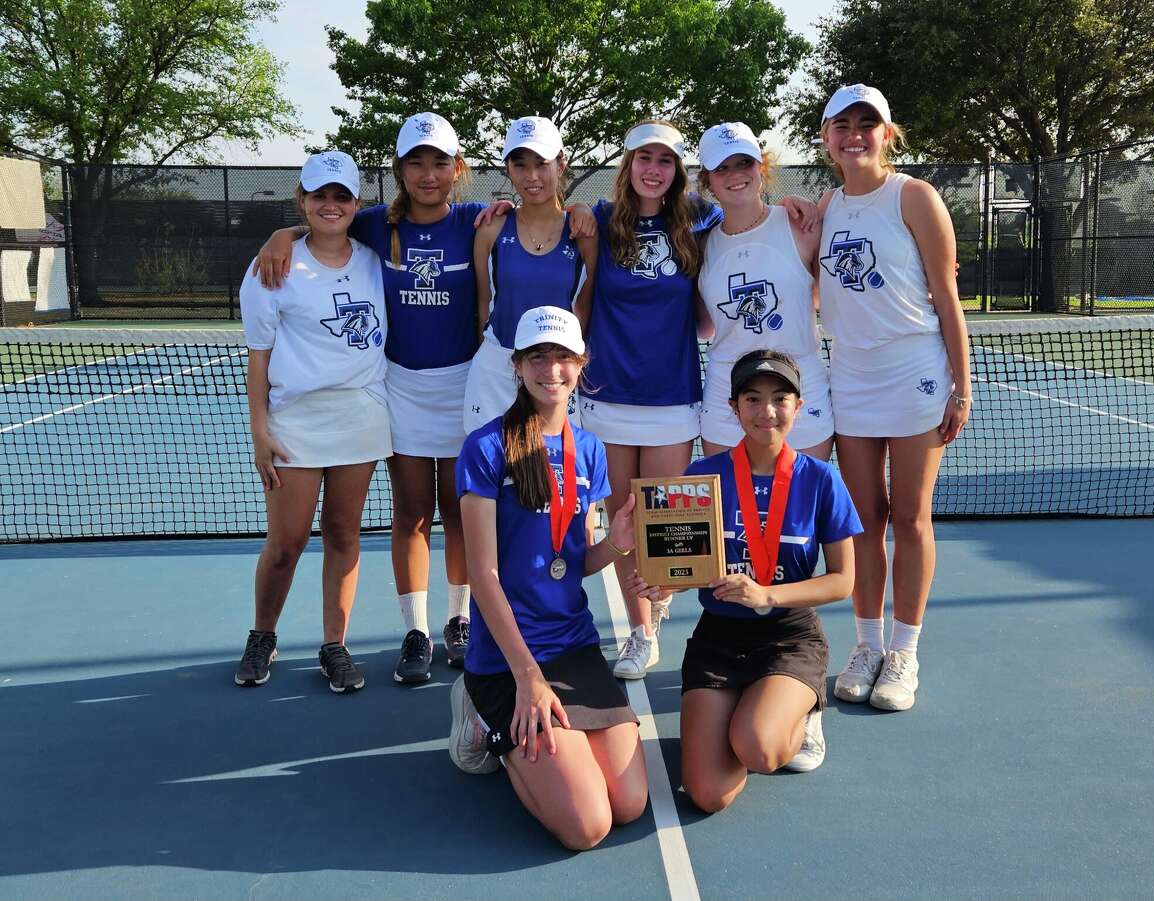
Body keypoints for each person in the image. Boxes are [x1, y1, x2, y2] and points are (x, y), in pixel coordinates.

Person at [251, 114, 588, 685]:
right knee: (411, 512)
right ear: (399, 169)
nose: (427, 174)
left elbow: (564, 224)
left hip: (464, 385)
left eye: (439, 162)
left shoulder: (480, 222)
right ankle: (417, 630)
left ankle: (460, 620)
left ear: (459, 170)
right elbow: (319, 226)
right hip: (399, 387)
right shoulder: (374, 224)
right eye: (415, 162)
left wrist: (581, 210)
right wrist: (279, 234)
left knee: (461, 510)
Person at [579, 120, 824, 681]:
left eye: (665, 160)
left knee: (664, 521)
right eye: (644, 157)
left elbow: (752, 215)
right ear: (628, 164)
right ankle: (641, 634)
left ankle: (674, 611)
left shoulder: (697, 221)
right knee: (624, 520)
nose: (653, 169)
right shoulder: (595, 220)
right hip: (607, 395)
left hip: (672, 396)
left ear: (680, 173)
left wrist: (792, 198)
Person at [448, 305, 648, 851]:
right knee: (588, 827)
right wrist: (527, 678)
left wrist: (619, 544)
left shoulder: (589, 451)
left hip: (574, 646)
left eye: (563, 357)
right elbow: (483, 575)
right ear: (517, 365)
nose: (551, 369)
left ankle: (552, 741)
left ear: (581, 364)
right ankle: (484, 722)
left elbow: (576, 560)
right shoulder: (485, 449)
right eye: (539, 356)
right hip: (507, 662)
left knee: (629, 804)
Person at [629, 350, 861, 811]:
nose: (766, 411)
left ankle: (802, 711)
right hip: (719, 636)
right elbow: (689, 567)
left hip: (789, 636)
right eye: (752, 399)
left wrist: (767, 593)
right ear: (734, 408)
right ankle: (753, 708)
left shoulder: (820, 480)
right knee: (708, 794)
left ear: (798, 404)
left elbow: (842, 581)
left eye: (779, 398)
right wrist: (664, 584)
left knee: (759, 748)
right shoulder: (701, 477)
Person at [815, 85, 971, 711]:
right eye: (842, 124)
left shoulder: (915, 197)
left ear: (888, 134)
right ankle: (868, 644)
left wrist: (962, 385)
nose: (855, 134)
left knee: (909, 515)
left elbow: (946, 294)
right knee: (863, 519)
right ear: (827, 138)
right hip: (849, 377)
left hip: (915, 372)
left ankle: (904, 652)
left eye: (867, 123)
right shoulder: (824, 205)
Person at [235, 151, 390, 693]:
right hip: (295, 422)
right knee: (287, 541)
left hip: (361, 418)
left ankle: (335, 645)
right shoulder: (272, 268)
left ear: (356, 204)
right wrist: (260, 429)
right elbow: (258, 356)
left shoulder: (375, 258)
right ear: (302, 200)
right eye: (319, 196)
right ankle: (263, 634)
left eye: (341, 196)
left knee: (344, 534)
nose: (330, 205)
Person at [696, 122, 834, 466]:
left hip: (801, 387)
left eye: (744, 163)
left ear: (762, 167)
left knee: (802, 509)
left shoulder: (803, 226)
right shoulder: (698, 245)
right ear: (708, 181)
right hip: (727, 394)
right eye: (722, 168)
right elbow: (699, 324)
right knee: (731, 510)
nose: (735, 175)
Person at [465, 116, 598, 433]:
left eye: (542, 163)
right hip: (496, 371)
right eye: (520, 165)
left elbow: (583, 311)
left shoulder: (583, 231)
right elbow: (483, 308)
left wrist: (559, 366)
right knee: (490, 477)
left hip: (555, 374)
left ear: (561, 164)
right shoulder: (491, 227)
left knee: (554, 477)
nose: (532, 175)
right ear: (508, 169)